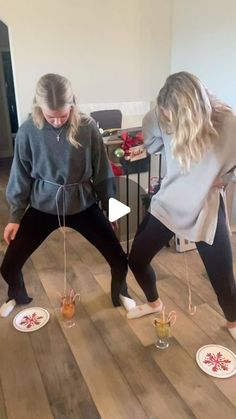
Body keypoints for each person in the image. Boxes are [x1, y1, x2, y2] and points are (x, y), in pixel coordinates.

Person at [0, 73, 135, 317]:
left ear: (72, 105)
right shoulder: (27, 131)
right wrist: (15, 217)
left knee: (119, 258)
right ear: (39, 107)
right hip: (43, 206)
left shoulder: (87, 126)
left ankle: (121, 293)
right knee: (8, 265)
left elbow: (103, 171)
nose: (56, 121)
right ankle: (16, 296)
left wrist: (111, 209)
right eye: (50, 116)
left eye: (62, 115)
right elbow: (20, 176)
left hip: (83, 204)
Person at [127, 72, 236, 341]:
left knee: (224, 282)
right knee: (136, 259)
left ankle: (233, 323)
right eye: (164, 113)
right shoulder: (158, 116)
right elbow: (152, 144)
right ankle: (154, 303)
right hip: (169, 203)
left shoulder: (227, 122)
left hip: (205, 210)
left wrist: (223, 178)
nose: (167, 119)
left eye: (172, 115)